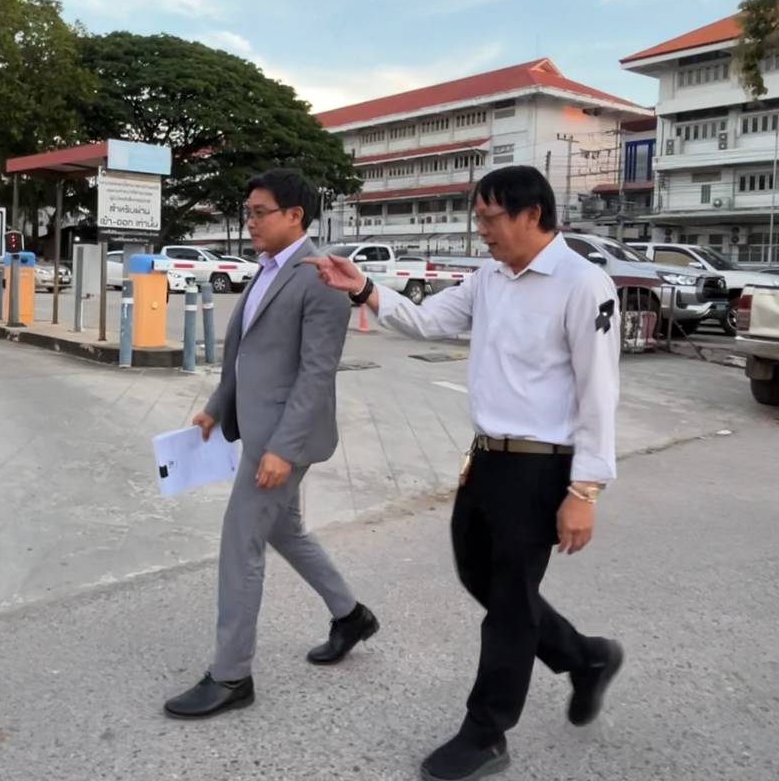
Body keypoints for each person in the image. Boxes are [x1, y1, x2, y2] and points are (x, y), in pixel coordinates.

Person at [304, 165, 623, 781]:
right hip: (486, 459)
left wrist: (585, 489)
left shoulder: (584, 284)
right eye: (478, 218)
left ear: (532, 214)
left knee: (508, 604)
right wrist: (362, 287)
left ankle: (486, 732)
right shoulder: (489, 279)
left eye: (490, 218)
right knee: (481, 576)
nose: (482, 230)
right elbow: (427, 321)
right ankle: (584, 657)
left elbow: (599, 392)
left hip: (541, 467)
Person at [162, 168, 380, 720]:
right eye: (248, 212)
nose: (250, 222)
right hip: (258, 428)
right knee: (285, 529)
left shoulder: (321, 279)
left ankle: (231, 675)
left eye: (260, 212)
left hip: (283, 439)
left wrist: (283, 449)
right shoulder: (264, 270)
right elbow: (246, 354)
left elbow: (316, 373)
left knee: (241, 541)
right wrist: (217, 407)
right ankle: (350, 615)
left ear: (294, 216)